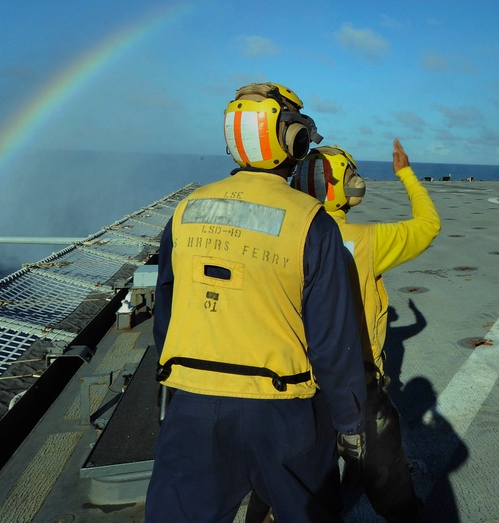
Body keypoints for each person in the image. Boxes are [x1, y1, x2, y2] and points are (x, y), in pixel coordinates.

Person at [146, 82, 368, 523]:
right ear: (290, 140)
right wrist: (350, 423)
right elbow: (331, 340)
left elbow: (165, 311)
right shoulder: (312, 223)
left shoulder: (185, 210)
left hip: (191, 401)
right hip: (282, 409)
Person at [290, 138, 441, 522]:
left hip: (296, 379)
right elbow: (428, 225)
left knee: (296, 478)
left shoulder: (285, 236)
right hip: (357, 383)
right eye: (351, 175)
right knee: (387, 474)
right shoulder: (368, 241)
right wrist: (405, 173)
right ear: (341, 186)